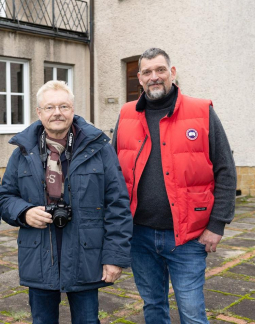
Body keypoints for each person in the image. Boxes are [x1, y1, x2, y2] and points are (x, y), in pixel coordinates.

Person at [112, 48, 236, 324]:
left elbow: (225, 169)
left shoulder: (201, 111)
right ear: (140, 79)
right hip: (140, 235)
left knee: (192, 313)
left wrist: (217, 224)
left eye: (160, 70)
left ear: (173, 73)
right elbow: (114, 175)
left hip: (188, 237)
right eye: (147, 72)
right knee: (153, 307)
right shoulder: (126, 114)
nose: (154, 77)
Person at [0, 80, 133, 324]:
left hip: (85, 256)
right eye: (49, 107)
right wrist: (25, 212)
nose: (57, 113)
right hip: (38, 256)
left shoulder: (98, 147)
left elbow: (118, 204)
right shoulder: (22, 150)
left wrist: (114, 257)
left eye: (63, 106)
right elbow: (5, 197)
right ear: (39, 113)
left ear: (73, 109)